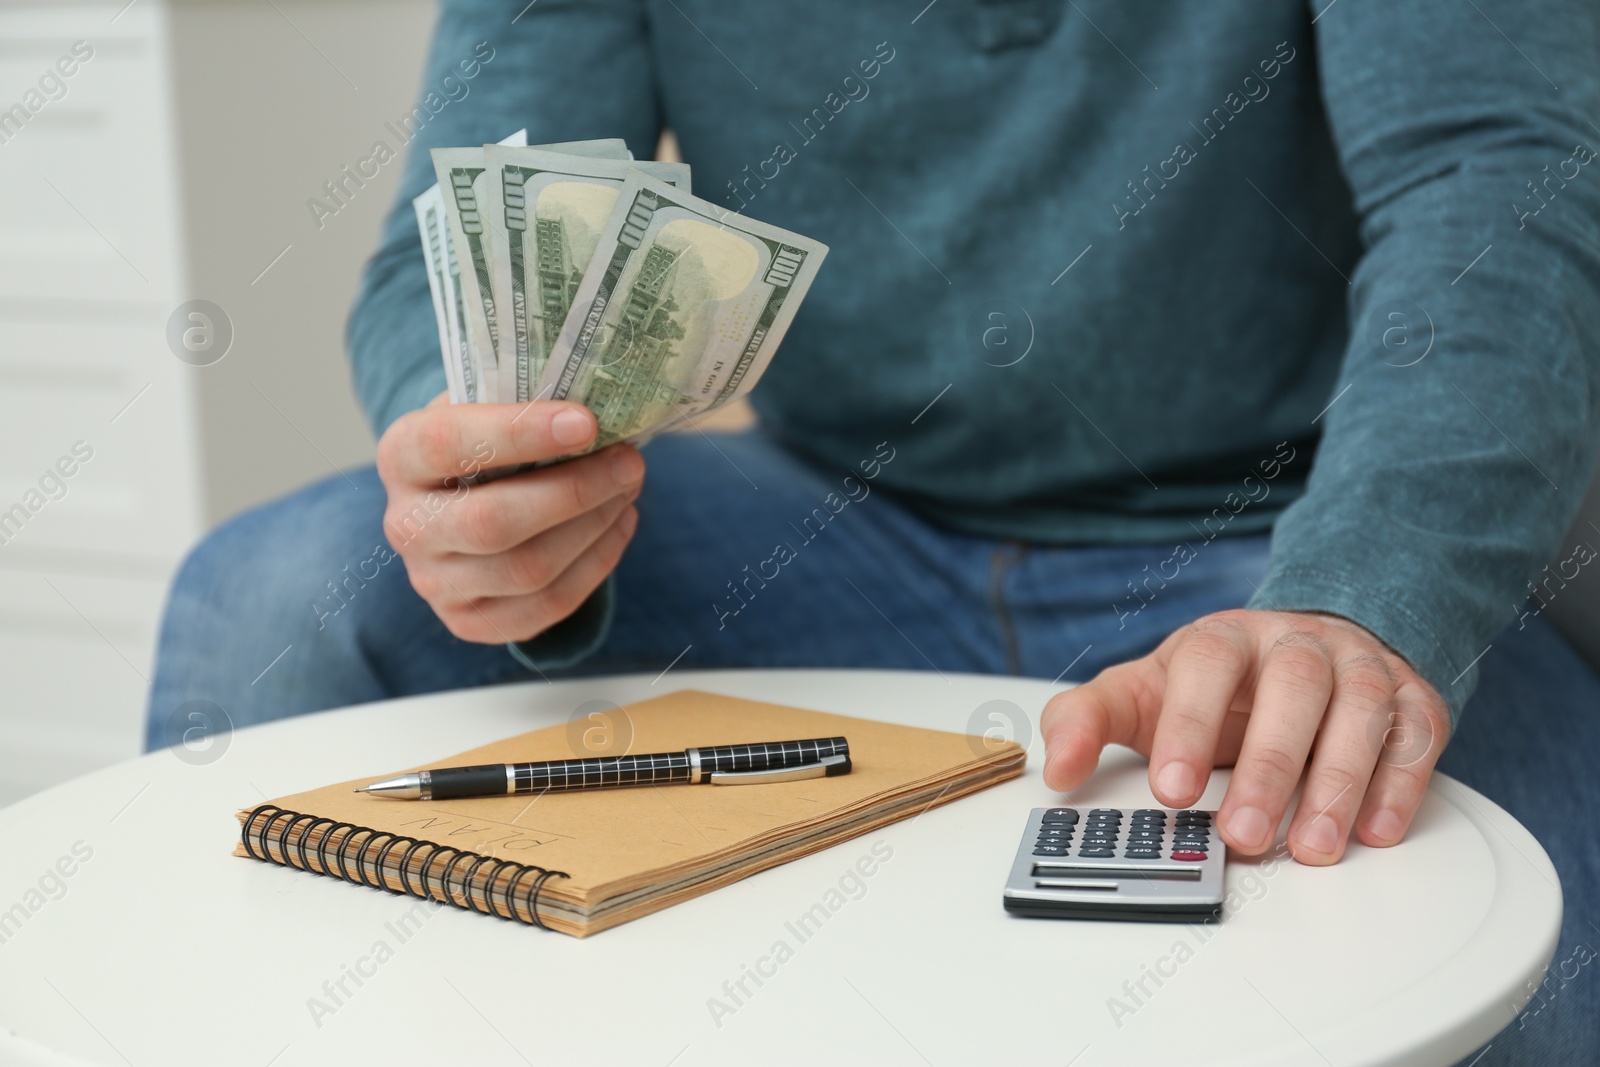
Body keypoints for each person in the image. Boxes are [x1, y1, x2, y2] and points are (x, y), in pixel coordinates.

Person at [149, 1, 1600, 1060]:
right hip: (837, 520)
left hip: (1283, 548)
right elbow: (442, 245)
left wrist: (1362, 599)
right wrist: (486, 487)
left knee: (1543, 972)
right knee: (268, 598)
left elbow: (1502, 177)